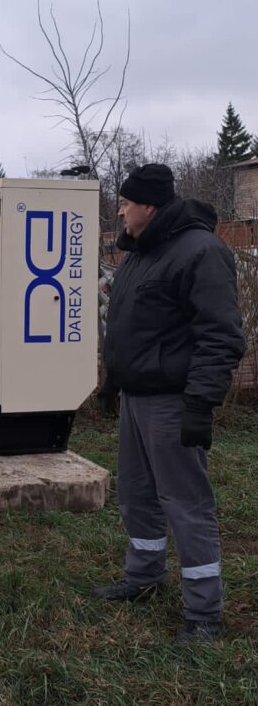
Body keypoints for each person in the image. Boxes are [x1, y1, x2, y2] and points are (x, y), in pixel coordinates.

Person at [95, 163, 245, 643]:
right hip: (137, 399)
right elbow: (132, 327)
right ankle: (143, 578)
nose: (119, 210)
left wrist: (201, 403)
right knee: (137, 496)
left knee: (185, 502)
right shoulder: (141, 254)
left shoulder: (201, 251)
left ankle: (205, 614)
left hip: (174, 402)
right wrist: (112, 384)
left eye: (125, 202)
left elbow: (219, 337)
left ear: (150, 206)